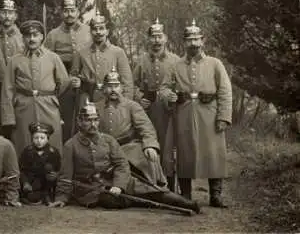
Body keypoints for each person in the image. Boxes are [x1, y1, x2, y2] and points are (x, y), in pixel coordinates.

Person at [48, 101, 200, 214]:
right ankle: (137, 201)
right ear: (79, 122)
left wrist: (119, 185)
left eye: (95, 120)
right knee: (111, 201)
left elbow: (122, 164)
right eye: (88, 120)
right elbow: (65, 176)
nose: (92, 124)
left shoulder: (108, 140)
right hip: (93, 190)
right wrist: (61, 198)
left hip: (117, 180)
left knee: (154, 192)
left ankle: (189, 204)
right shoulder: (71, 145)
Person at [159, 19, 232, 208]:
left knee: (214, 152)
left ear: (203, 40)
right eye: (189, 40)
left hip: (209, 112)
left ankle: (215, 195)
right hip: (183, 113)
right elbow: (164, 88)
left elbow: (225, 91)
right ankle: (186, 195)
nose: (193, 43)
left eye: (196, 39)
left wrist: (223, 117)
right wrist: (169, 96)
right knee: (183, 153)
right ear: (184, 42)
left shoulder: (215, 64)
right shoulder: (175, 66)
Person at [1, 20, 70, 156]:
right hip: (23, 107)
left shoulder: (53, 57)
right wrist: (9, 117)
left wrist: (50, 97)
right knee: (24, 141)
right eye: (28, 35)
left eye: (35, 35)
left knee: (52, 142)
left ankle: (54, 173)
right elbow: (7, 89)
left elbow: (64, 82)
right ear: (23, 38)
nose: (31, 39)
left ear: (42, 37)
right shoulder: (15, 60)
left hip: (48, 107)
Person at [96, 67, 168, 188]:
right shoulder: (96, 107)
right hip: (105, 149)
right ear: (103, 89)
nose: (113, 90)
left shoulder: (132, 106)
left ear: (122, 88)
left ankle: (152, 189)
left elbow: (146, 128)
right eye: (109, 86)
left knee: (146, 158)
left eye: (116, 86)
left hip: (128, 148)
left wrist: (150, 145)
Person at [132, 18, 180, 191]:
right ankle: (153, 185)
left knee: (170, 149)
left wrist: (174, 96)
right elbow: (133, 84)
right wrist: (138, 98)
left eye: (160, 36)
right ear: (148, 39)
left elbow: (181, 85)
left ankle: (172, 188)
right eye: (153, 37)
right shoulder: (141, 61)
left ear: (166, 38)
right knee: (151, 145)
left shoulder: (176, 61)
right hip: (148, 110)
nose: (157, 41)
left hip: (169, 111)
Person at [70, 11, 133, 134]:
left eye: (101, 28)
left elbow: (127, 82)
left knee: (108, 131)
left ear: (107, 31)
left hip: (110, 98)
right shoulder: (81, 52)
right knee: (87, 131)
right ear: (90, 31)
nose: (98, 32)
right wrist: (74, 81)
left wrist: (124, 105)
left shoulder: (118, 52)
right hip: (87, 98)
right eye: (95, 29)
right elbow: (73, 74)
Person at [45, 0, 92, 143]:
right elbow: (48, 61)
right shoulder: (53, 34)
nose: (69, 14)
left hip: (85, 82)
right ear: (61, 12)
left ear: (78, 12)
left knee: (85, 118)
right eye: (66, 11)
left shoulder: (89, 31)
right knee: (65, 121)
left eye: (72, 10)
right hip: (63, 84)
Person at [19, 122, 61, 205]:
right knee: (31, 196)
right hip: (32, 182)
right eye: (36, 138)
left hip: (48, 182)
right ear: (32, 138)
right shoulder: (27, 151)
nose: (39, 141)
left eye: (42, 138)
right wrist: (25, 183)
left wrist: (56, 175)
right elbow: (22, 170)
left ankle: (47, 195)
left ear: (47, 138)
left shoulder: (53, 152)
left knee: (48, 168)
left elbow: (59, 168)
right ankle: (35, 196)